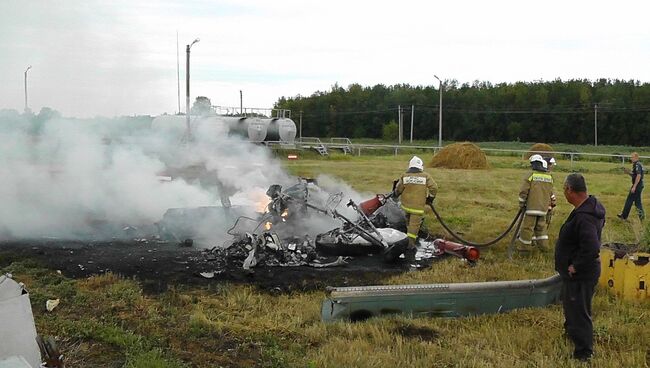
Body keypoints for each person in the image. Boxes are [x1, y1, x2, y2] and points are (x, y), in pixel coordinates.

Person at [555, 173, 605, 362]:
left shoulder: (584, 217)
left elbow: (592, 247)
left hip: (581, 274)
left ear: (570, 190)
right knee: (572, 307)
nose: (564, 193)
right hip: (579, 273)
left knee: (579, 311)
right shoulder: (588, 208)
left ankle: (584, 353)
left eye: (564, 189)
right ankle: (572, 334)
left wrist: (576, 266)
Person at [393, 156, 438, 260]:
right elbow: (434, 187)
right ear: (420, 166)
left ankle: (407, 239)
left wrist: (395, 194)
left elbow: (398, 189)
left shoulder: (405, 175)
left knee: (408, 224)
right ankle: (410, 245)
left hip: (406, 206)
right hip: (417, 208)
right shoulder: (425, 176)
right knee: (414, 227)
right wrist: (430, 198)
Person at [517, 154, 555, 250]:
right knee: (541, 229)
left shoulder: (531, 176)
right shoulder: (549, 177)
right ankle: (544, 248)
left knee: (527, 228)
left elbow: (523, 191)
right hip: (543, 209)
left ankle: (524, 249)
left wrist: (522, 204)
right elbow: (551, 193)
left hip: (531, 208)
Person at [617, 152, 644, 220]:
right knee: (636, 201)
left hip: (637, 185)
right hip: (638, 185)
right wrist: (628, 172)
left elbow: (638, 175)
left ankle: (624, 216)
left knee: (632, 201)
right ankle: (641, 217)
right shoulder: (636, 165)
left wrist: (634, 186)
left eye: (632, 157)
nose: (631, 158)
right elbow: (634, 175)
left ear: (636, 158)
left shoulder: (637, 165)